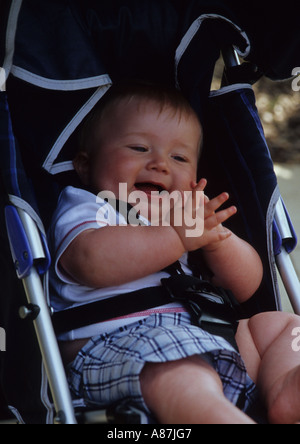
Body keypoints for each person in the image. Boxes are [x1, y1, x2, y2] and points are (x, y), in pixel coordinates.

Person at [49, 82, 300, 424]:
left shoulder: (190, 215)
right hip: (119, 344)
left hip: (209, 332)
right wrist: (177, 236)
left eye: (179, 157)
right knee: (184, 374)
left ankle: (287, 388)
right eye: (139, 147)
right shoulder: (91, 205)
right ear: (83, 165)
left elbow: (247, 286)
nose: (160, 164)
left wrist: (216, 241)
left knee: (284, 326)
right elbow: (89, 262)